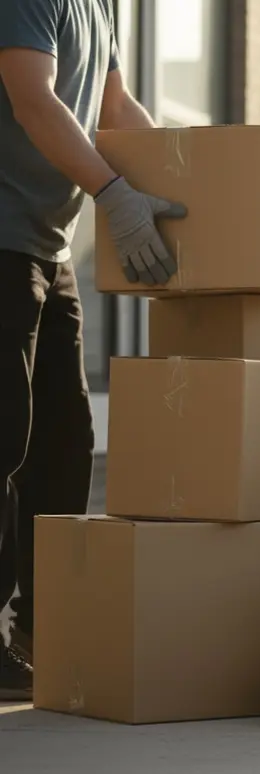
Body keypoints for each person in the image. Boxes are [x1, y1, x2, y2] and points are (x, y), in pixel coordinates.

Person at [0, 0, 186, 701]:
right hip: (3, 242)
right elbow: (32, 98)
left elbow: (115, 109)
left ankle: (41, 630)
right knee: (4, 439)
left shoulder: (102, 3)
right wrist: (112, 193)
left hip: (49, 248)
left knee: (64, 444)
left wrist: (198, 176)